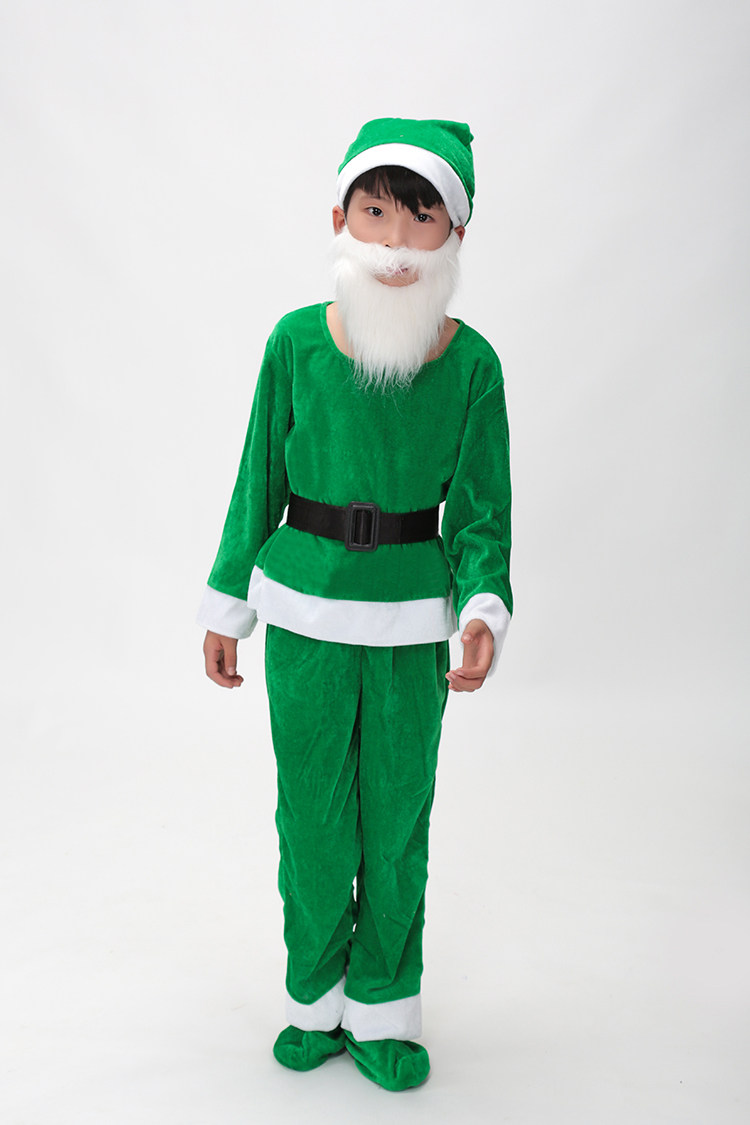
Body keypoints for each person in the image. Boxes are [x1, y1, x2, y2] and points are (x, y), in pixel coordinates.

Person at [197, 117, 512, 1091]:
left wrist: (481, 608)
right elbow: (258, 475)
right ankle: (313, 994)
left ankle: (382, 1006)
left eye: (421, 221)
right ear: (340, 218)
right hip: (305, 617)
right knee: (314, 821)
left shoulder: (472, 367)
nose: (396, 244)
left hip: (413, 623)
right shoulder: (295, 342)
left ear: (455, 234)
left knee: (397, 819)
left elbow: (483, 514)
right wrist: (226, 602)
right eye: (376, 215)